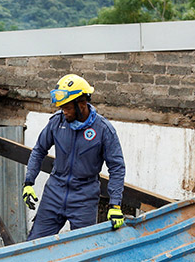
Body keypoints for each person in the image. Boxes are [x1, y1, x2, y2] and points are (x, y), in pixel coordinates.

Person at [22, 74, 126, 240]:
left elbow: (117, 167)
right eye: (62, 108)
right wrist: (28, 182)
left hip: (84, 199)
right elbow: (39, 150)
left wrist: (115, 204)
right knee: (33, 245)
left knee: (83, 249)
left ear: (82, 104)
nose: (64, 112)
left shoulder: (104, 130)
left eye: (68, 108)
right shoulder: (57, 122)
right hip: (54, 193)